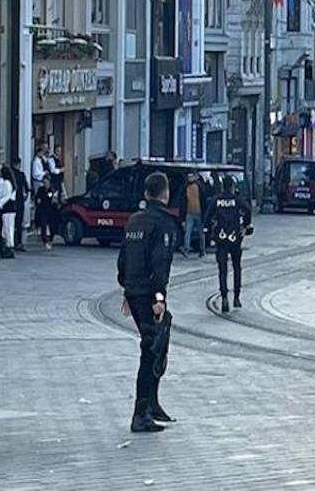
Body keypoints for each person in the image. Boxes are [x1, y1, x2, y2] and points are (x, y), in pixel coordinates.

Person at [117, 172, 177, 433]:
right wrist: (159, 297)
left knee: (157, 345)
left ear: (146, 194)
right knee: (152, 347)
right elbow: (160, 262)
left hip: (133, 290)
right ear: (164, 194)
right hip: (149, 294)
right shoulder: (163, 223)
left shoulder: (134, 221)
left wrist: (126, 290)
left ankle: (151, 403)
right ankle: (141, 412)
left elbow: (123, 260)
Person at [206, 176, 252, 312]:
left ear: (222, 186)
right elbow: (248, 210)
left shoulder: (217, 200)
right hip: (235, 237)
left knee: (222, 269)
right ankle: (236, 297)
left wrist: (209, 230)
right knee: (237, 267)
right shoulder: (237, 200)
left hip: (220, 239)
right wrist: (245, 225)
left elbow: (208, 216)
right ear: (232, 186)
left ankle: (224, 297)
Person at [182, 172, 206, 259]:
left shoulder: (199, 186)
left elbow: (203, 200)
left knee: (200, 233)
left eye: (191, 176)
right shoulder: (185, 187)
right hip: (189, 213)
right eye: (189, 176)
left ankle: (202, 250)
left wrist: (204, 213)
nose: (190, 178)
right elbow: (183, 202)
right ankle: (186, 249)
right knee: (188, 232)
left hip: (199, 213)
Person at [0, 165, 18, 260]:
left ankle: (9, 247)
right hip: (11, 208)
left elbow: (6, 197)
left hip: (7, 208)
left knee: (7, 228)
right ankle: (9, 246)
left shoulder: (6, 183)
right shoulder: (11, 183)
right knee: (8, 228)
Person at [35, 176, 60, 249]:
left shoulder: (52, 190)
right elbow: (38, 198)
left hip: (51, 210)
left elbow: (52, 198)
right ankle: (45, 241)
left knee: (52, 226)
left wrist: (52, 198)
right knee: (43, 225)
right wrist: (38, 200)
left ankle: (51, 239)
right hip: (43, 210)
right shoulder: (40, 190)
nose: (45, 184)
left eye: (46, 182)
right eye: (44, 182)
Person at [13, 158, 30, 252]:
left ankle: (11, 241)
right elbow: (26, 188)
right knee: (19, 222)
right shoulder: (21, 175)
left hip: (12, 201)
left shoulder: (11, 175)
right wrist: (26, 196)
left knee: (12, 222)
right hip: (19, 200)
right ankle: (18, 242)